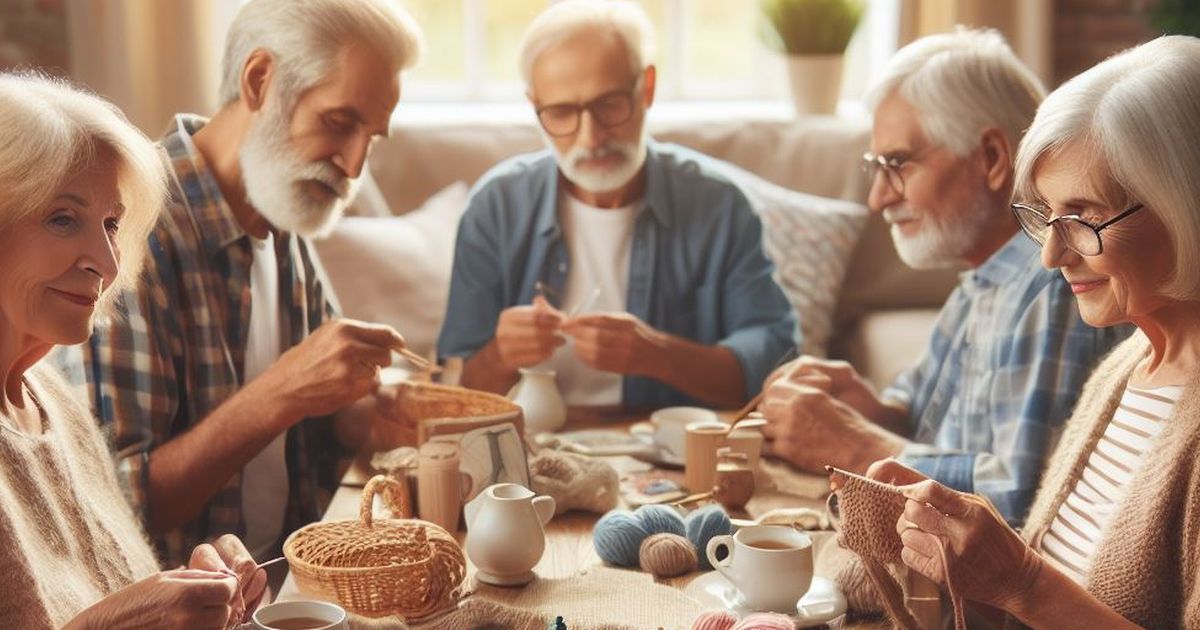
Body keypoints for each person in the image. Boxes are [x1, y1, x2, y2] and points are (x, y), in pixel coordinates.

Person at [52, 0, 425, 568]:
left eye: (372, 137)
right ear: (259, 80)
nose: (353, 165)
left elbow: (320, 423)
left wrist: (375, 411)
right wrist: (281, 393)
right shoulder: (130, 231)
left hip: (291, 581)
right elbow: (117, 507)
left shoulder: (283, 213)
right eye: (340, 122)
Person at [857, 35, 1200, 628]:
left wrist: (1020, 580)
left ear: (1185, 203)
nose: (1050, 257)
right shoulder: (1125, 371)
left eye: (1086, 216)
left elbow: (1032, 588)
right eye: (1044, 215)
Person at [761, 28, 1131, 525]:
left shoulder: (1052, 283)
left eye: (897, 164)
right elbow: (921, 417)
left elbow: (1026, 498)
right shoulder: (982, 278)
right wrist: (867, 409)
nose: (878, 198)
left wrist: (855, 446)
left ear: (992, 160)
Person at [0, 72, 268, 630]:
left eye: (112, 224)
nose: (106, 260)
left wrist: (192, 587)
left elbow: (97, 592)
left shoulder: (55, 401)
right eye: (63, 218)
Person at [437, 0, 795, 410]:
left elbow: (776, 362)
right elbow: (451, 393)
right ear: (534, 105)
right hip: (526, 453)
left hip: (665, 455)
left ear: (648, 88)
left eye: (608, 104)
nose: (591, 138)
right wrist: (500, 355)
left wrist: (659, 354)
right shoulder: (495, 208)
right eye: (561, 112)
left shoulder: (720, 206)